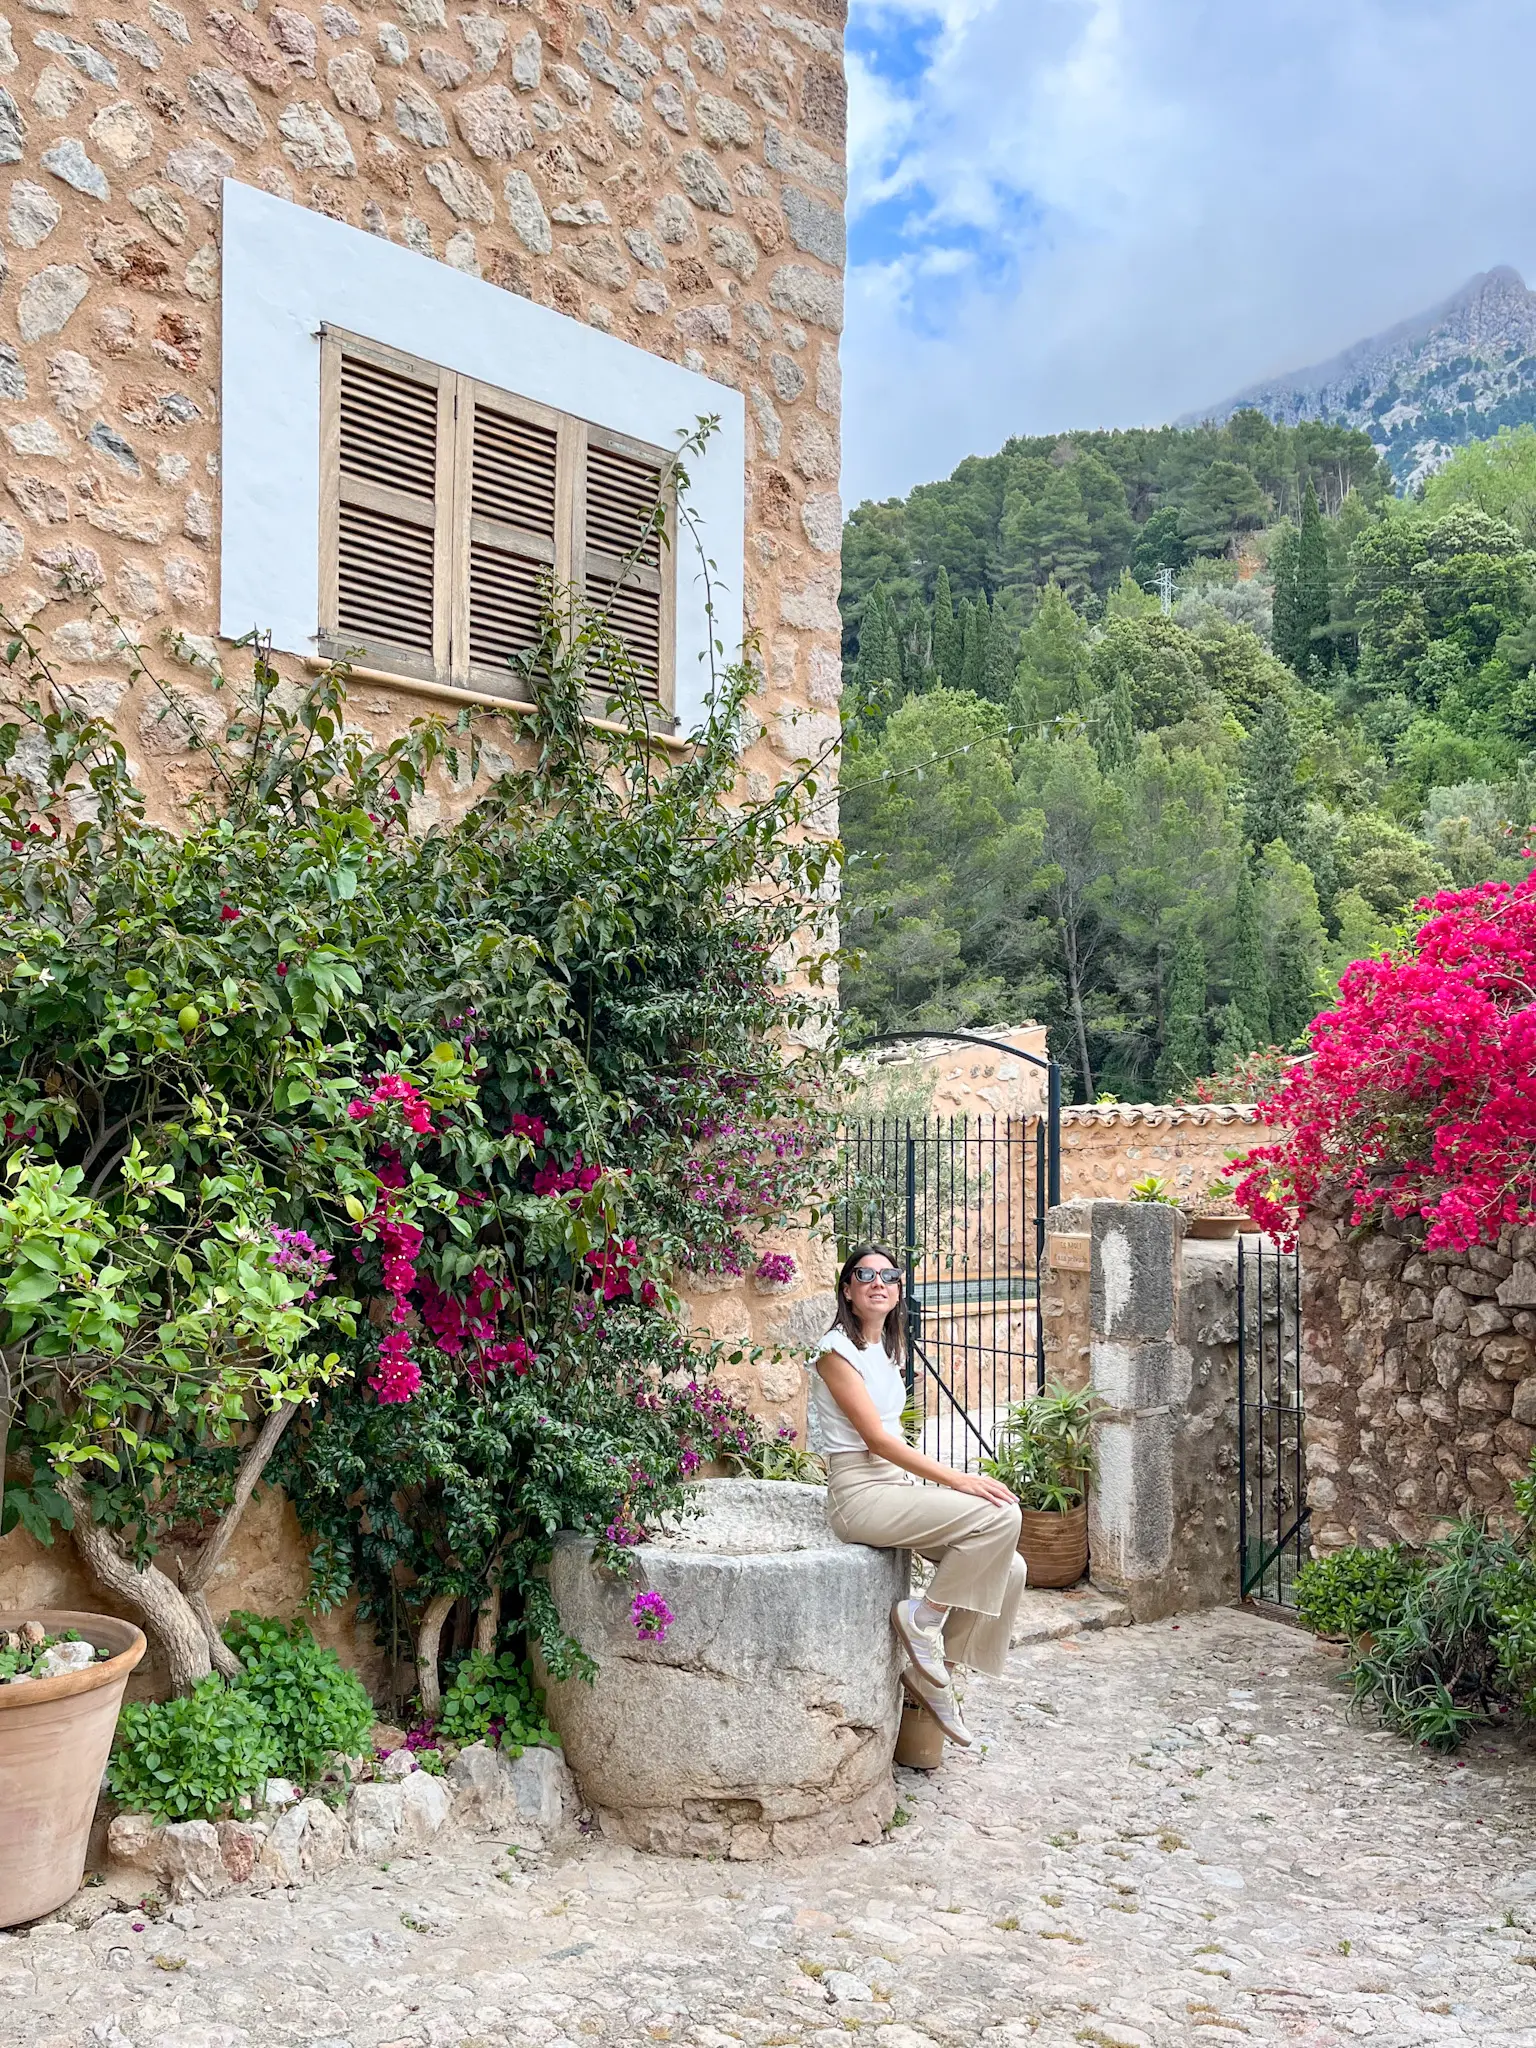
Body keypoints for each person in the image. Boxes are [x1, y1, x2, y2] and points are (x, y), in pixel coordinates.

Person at [809, 1243, 1026, 1747]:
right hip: (859, 1495)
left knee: (1010, 1568)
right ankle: (922, 1618)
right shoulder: (832, 1352)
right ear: (847, 1289)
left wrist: (924, 1488)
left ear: (898, 1288)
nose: (878, 1282)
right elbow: (878, 1440)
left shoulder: (885, 1350)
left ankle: (933, 1679)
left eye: (888, 1275)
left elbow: (894, 1440)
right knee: (997, 1519)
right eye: (864, 1274)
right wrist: (958, 1480)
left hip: (894, 1488)